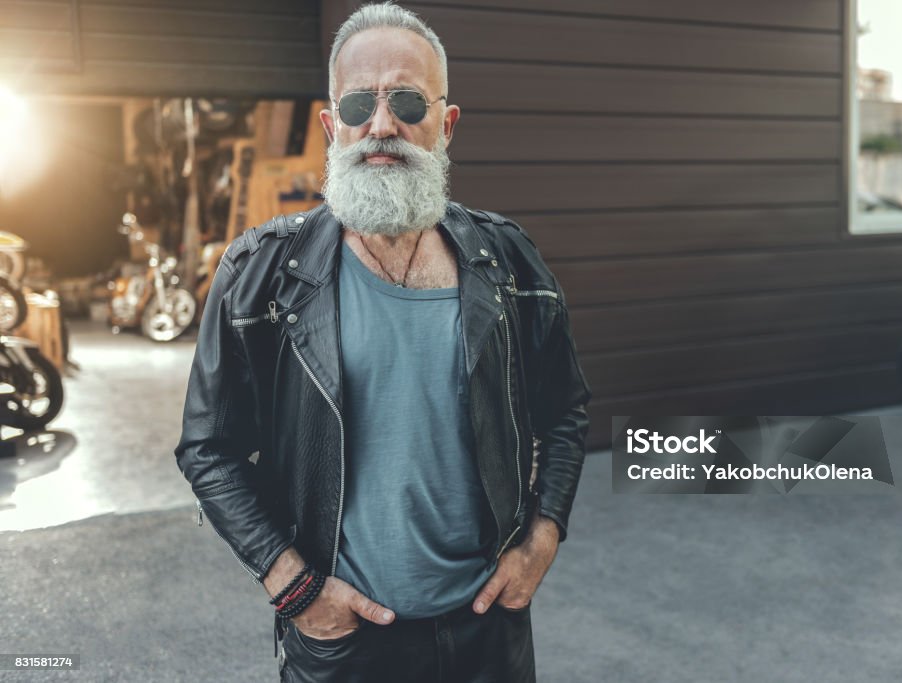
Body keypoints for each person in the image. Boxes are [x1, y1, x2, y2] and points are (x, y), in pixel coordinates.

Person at [174, 3, 591, 681]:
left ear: (445, 125)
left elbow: (565, 413)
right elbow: (208, 447)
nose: (383, 124)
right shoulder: (259, 276)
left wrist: (543, 537)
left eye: (407, 101)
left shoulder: (509, 263)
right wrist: (295, 586)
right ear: (330, 124)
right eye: (360, 103)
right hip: (343, 641)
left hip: (489, 636)